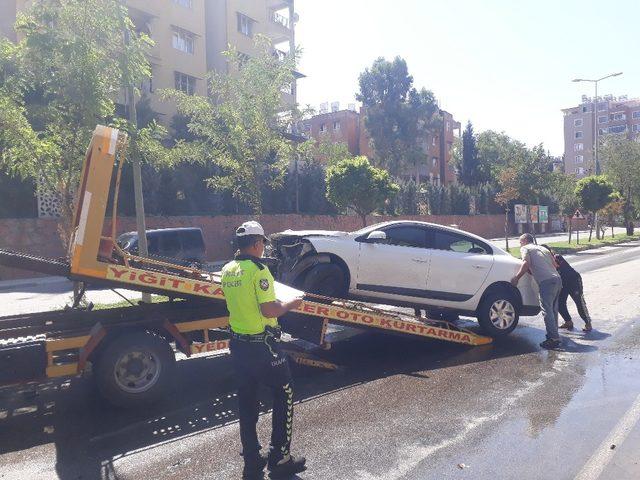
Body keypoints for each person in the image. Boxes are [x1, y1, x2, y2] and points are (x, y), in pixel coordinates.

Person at [221, 221, 306, 480]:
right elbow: (269, 310)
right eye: (262, 244)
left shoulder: (228, 269)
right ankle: (280, 457)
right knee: (285, 393)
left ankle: (251, 457)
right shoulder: (259, 271)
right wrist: (291, 303)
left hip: (239, 346)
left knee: (247, 400)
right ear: (258, 244)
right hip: (263, 346)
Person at [511, 233, 563, 349]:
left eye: (520, 242)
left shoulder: (525, 248)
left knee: (546, 310)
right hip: (557, 279)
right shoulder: (543, 248)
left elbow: (526, 263)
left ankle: (553, 338)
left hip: (546, 282)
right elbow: (555, 265)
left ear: (524, 241)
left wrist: (517, 278)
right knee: (553, 309)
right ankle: (555, 336)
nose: (520, 245)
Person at [541, 244, 592, 332]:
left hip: (573, 281)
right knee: (560, 304)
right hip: (562, 283)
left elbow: (556, 266)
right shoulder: (545, 262)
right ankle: (568, 322)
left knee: (579, 302)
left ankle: (588, 323)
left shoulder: (557, 257)